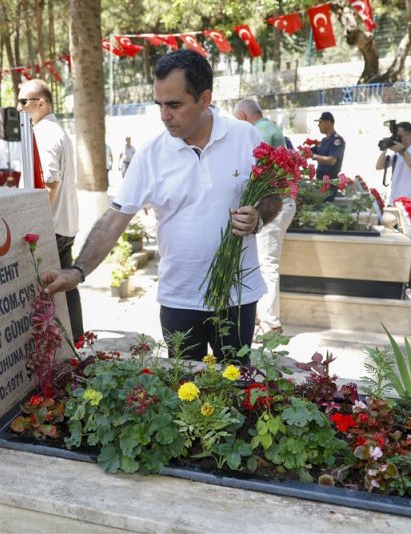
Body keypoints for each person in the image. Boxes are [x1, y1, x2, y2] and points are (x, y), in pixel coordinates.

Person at [43, 49, 280, 360]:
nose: (164, 115)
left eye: (174, 105)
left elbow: (274, 196)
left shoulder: (246, 137)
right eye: (160, 105)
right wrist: (77, 271)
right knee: (183, 398)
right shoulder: (151, 155)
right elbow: (115, 219)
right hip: (179, 300)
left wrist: (259, 218)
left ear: (205, 99)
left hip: (237, 297)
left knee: (238, 388)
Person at [17, 79, 83, 341]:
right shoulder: (54, 130)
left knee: (49, 292)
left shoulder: (44, 134)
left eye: (23, 101)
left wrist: (33, 224)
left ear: (41, 103)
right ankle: (77, 342)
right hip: (62, 225)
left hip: (50, 228)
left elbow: (49, 185)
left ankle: (63, 346)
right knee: (68, 288)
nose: (19, 107)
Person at [234, 99, 295, 336]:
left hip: (273, 207)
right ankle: (264, 318)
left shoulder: (258, 132)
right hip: (282, 204)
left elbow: (252, 169)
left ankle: (271, 324)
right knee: (265, 263)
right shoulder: (270, 127)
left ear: (241, 117)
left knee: (267, 265)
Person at [376, 121, 411, 209]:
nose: (397, 138)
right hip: (394, 201)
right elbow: (379, 166)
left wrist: (402, 150)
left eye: (399, 136)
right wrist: (386, 147)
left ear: (410, 135)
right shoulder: (398, 153)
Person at [309, 111, 345, 201]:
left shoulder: (337, 140)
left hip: (330, 180)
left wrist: (313, 156)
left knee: (324, 206)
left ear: (328, 123)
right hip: (320, 179)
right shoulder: (324, 140)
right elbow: (310, 151)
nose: (318, 125)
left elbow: (332, 160)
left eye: (320, 122)